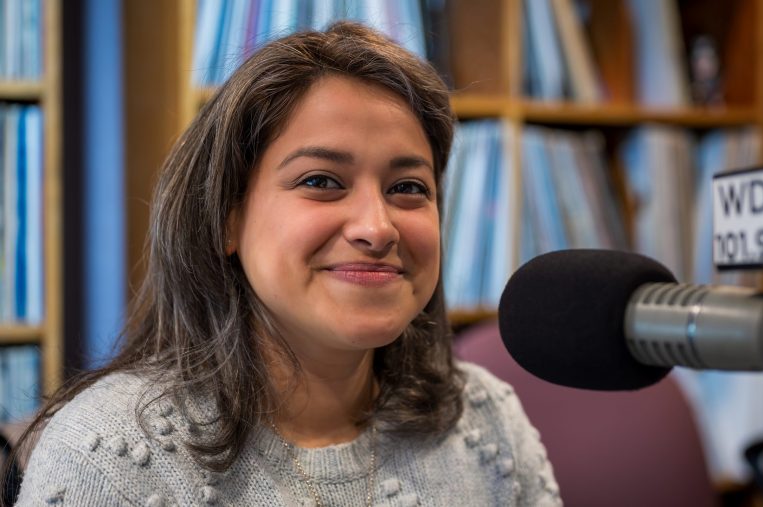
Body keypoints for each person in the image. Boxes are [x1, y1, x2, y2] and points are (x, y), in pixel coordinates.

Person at [10, 21, 560, 506]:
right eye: (321, 181)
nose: (377, 227)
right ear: (228, 217)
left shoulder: (487, 420)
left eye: (408, 187)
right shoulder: (105, 458)